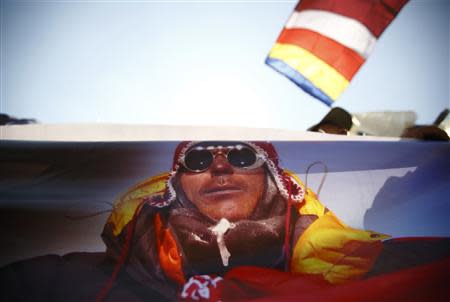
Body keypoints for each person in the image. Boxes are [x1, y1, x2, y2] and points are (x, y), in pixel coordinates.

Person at [1, 141, 449, 302]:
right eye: (197, 158)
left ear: (276, 181)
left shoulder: (379, 268)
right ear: (173, 185)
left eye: (241, 155)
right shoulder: (56, 283)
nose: (220, 167)